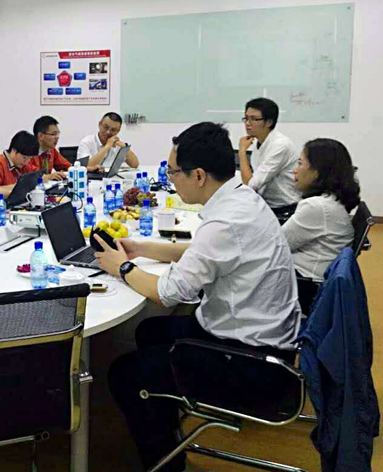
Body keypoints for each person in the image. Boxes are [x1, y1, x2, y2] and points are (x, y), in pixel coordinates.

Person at [94, 122, 301, 472]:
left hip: (253, 363)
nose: (171, 179)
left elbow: (168, 293)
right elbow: (202, 253)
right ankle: (165, 417)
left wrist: (122, 268)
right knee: (150, 332)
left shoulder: (225, 222)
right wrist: (141, 249)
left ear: (200, 175)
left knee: (125, 373)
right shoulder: (241, 199)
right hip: (259, 336)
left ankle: (166, 463)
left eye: (174, 172)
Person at [283, 138, 360, 312]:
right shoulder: (331, 200)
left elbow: (277, 245)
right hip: (315, 279)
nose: (294, 170)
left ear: (316, 172)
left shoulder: (317, 207)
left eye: (300, 163)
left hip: (306, 286)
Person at [238, 97, 300, 218]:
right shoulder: (259, 143)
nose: (247, 123)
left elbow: (250, 185)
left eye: (254, 119)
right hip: (267, 207)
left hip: (285, 210)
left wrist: (242, 152)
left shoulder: (280, 145)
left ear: (269, 122)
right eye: (246, 118)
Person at [24, 116, 70, 181]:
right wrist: (48, 177)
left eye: (58, 134)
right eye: (53, 134)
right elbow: (30, 177)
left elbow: (67, 166)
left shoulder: (51, 150)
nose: (57, 137)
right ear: (41, 136)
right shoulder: (28, 153)